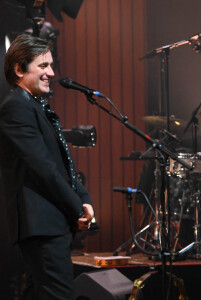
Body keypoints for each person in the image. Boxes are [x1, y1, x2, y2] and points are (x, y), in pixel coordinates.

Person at [1, 34, 94, 300]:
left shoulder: (35, 106)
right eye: (43, 66)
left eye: (51, 65)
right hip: (41, 225)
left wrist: (85, 199)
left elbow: (62, 164)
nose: (51, 73)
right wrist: (77, 207)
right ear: (19, 69)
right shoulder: (16, 107)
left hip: (51, 224)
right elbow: (42, 167)